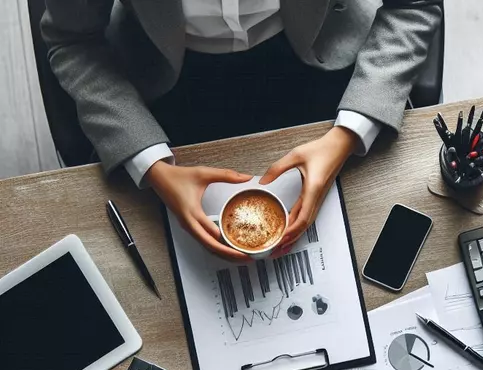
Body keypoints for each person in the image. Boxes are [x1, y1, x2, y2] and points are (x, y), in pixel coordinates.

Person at [41, 0, 442, 259]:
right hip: (163, 77)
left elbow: (414, 6)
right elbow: (72, 41)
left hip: (323, 52)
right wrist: (151, 165)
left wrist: (350, 132)